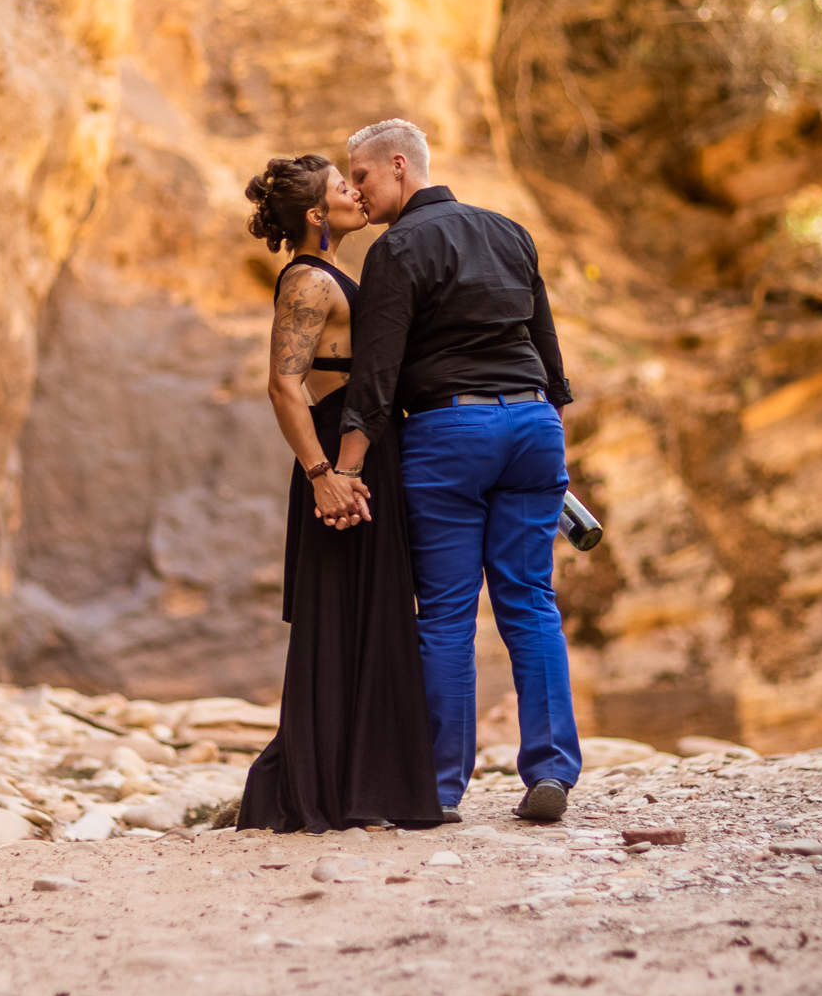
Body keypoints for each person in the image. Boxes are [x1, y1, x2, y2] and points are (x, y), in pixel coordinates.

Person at [326, 118, 582, 825]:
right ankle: (551, 770)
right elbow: (548, 351)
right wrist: (548, 439)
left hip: (448, 431)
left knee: (445, 614)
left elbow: (375, 375)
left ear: (400, 166)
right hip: (532, 425)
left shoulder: (397, 248)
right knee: (530, 600)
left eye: (364, 176)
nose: (357, 191)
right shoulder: (510, 232)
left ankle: (439, 787)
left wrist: (341, 470)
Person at [233, 154, 443, 832]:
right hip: (336, 461)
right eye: (341, 188)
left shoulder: (332, 275)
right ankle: (317, 790)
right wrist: (325, 476)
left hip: (357, 455)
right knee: (337, 617)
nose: (356, 193)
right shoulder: (306, 279)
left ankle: (363, 788)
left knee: (370, 613)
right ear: (317, 217)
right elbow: (283, 384)